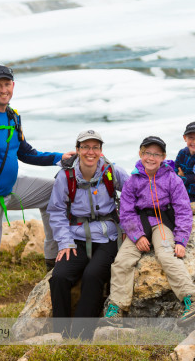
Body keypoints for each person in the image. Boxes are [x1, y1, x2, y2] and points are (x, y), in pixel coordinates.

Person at [0, 65, 73, 328]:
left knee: (53, 191)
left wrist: (57, 158)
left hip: (9, 189)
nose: (4, 89)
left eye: (8, 84)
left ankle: (52, 256)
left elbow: (25, 152)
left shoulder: (12, 117)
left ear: (13, 87)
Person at [104, 136, 195, 326]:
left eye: (156, 154)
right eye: (147, 153)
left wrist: (181, 240)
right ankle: (116, 308)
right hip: (139, 223)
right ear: (140, 154)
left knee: (167, 255)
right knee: (122, 261)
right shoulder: (133, 180)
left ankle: (193, 299)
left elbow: (183, 210)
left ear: (163, 157)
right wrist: (137, 236)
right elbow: (126, 212)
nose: (151, 158)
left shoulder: (172, 179)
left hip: (162, 222)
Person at [47, 130, 129, 338]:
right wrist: (65, 243)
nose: (90, 152)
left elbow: (132, 195)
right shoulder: (66, 177)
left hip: (108, 238)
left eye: (95, 147)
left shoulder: (112, 172)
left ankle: (81, 335)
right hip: (77, 239)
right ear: (77, 150)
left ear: (101, 151)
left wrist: (129, 228)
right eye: (85, 147)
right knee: (59, 277)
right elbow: (56, 211)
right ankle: (61, 333)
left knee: (92, 276)